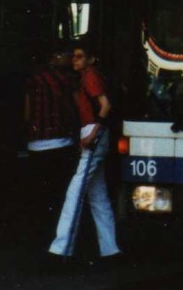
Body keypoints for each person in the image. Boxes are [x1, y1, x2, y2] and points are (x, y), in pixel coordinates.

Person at [47, 44, 121, 264]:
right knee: (97, 196)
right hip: (94, 132)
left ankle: (61, 249)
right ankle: (110, 249)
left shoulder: (89, 77)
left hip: (93, 131)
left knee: (75, 192)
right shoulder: (91, 75)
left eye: (80, 57)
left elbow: (105, 105)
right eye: (74, 57)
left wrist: (93, 134)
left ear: (91, 59)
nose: (74, 60)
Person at [24, 45, 78, 239]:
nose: (71, 58)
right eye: (67, 54)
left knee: (39, 192)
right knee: (59, 193)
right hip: (61, 142)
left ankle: (38, 233)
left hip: (36, 144)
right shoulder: (68, 80)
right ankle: (56, 234)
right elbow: (74, 109)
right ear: (54, 57)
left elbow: (27, 113)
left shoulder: (33, 80)